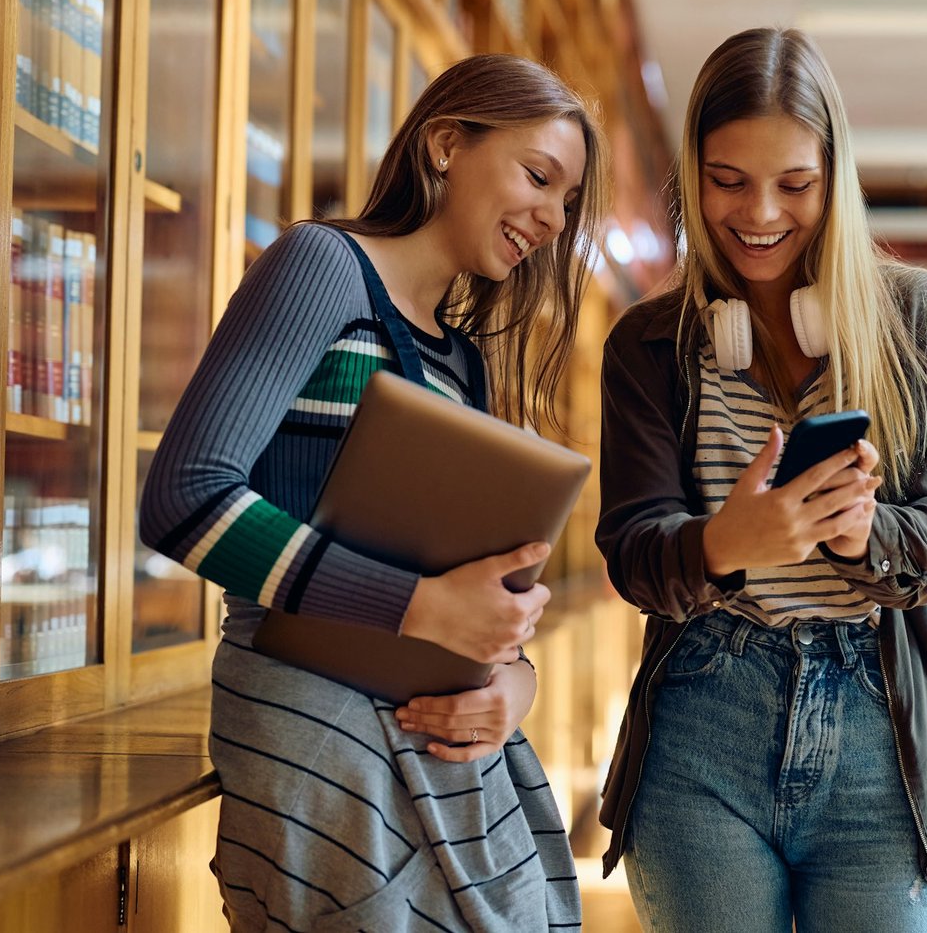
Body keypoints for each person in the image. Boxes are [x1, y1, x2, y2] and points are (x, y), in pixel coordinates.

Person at [139, 53, 606, 932]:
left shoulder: (460, 360)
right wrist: (419, 607)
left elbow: (465, 585)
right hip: (310, 717)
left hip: (432, 733)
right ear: (443, 145)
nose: (552, 217)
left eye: (568, 202)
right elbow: (185, 498)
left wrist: (515, 683)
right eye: (538, 176)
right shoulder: (321, 266)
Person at [594, 27, 927, 932]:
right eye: (726, 179)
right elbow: (632, 552)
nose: (758, 212)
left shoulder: (913, 317)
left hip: (877, 723)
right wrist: (722, 544)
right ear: (691, 175)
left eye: (794, 185)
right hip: (704, 713)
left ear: (834, 180)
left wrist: (866, 536)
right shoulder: (650, 344)